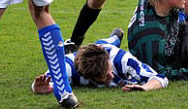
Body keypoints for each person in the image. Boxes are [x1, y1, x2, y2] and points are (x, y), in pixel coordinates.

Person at [32, 28, 168, 93]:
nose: (110, 76)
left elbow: (160, 78)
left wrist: (145, 87)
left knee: (108, 42)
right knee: (96, 46)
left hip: (107, 48)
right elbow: (46, 82)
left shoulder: (122, 60)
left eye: (109, 71)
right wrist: (39, 88)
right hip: (80, 55)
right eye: (103, 78)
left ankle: (115, 37)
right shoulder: (68, 67)